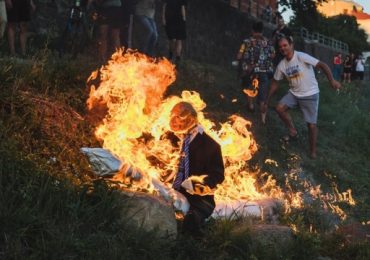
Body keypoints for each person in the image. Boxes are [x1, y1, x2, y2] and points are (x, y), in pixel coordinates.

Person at [264, 36, 341, 159]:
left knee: (311, 125)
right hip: (294, 94)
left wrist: (332, 80)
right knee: (279, 108)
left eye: (285, 45)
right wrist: (267, 100)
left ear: (291, 45)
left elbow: (322, 65)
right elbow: (275, 83)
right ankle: (292, 131)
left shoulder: (301, 56)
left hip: (310, 94)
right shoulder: (282, 65)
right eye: (280, 47)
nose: (283, 48)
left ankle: (313, 151)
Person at [169, 102, 225, 237]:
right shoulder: (171, 138)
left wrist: (200, 183)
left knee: (191, 221)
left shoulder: (210, 145)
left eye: (179, 117)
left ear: (191, 119)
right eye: (173, 116)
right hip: (171, 189)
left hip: (197, 199)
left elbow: (218, 175)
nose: (174, 121)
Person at [236, 21, 275, 124]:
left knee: (248, 85)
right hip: (264, 70)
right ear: (262, 30)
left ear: (252, 30)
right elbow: (273, 55)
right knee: (263, 91)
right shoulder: (268, 42)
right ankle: (262, 119)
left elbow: (239, 55)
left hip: (249, 69)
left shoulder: (246, 41)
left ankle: (251, 105)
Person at [162, 0, 186, 65]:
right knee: (172, 39)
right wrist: (163, 18)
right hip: (170, 20)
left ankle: (178, 57)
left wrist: (184, 19)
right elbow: (164, 6)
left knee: (179, 40)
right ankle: (171, 54)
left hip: (179, 20)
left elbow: (182, 7)